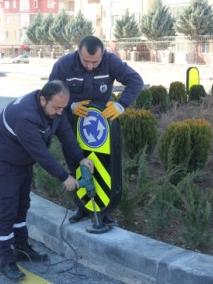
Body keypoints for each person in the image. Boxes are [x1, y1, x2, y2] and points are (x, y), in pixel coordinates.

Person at [0, 80, 94, 282]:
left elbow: (65, 133)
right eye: (57, 108)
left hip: (22, 163)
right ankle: (6, 259)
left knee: (22, 206)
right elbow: (41, 154)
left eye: (63, 107)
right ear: (43, 100)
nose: (60, 112)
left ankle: (21, 246)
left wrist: (80, 158)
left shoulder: (52, 108)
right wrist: (65, 177)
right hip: (3, 164)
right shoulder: (25, 117)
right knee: (7, 210)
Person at [48, 35, 144, 224]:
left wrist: (121, 105)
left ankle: (103, 211)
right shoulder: (64, 65)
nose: (90, 66)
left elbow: (135, 81)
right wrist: (71, 106)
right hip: (72, 127)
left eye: (95, 62)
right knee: (77, 168)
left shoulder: (110, 62)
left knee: (104, 168)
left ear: (103, 55)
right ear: (78, 53)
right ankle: (82, 207)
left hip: (101, 131)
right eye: (86, 61)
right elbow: (50, 92)